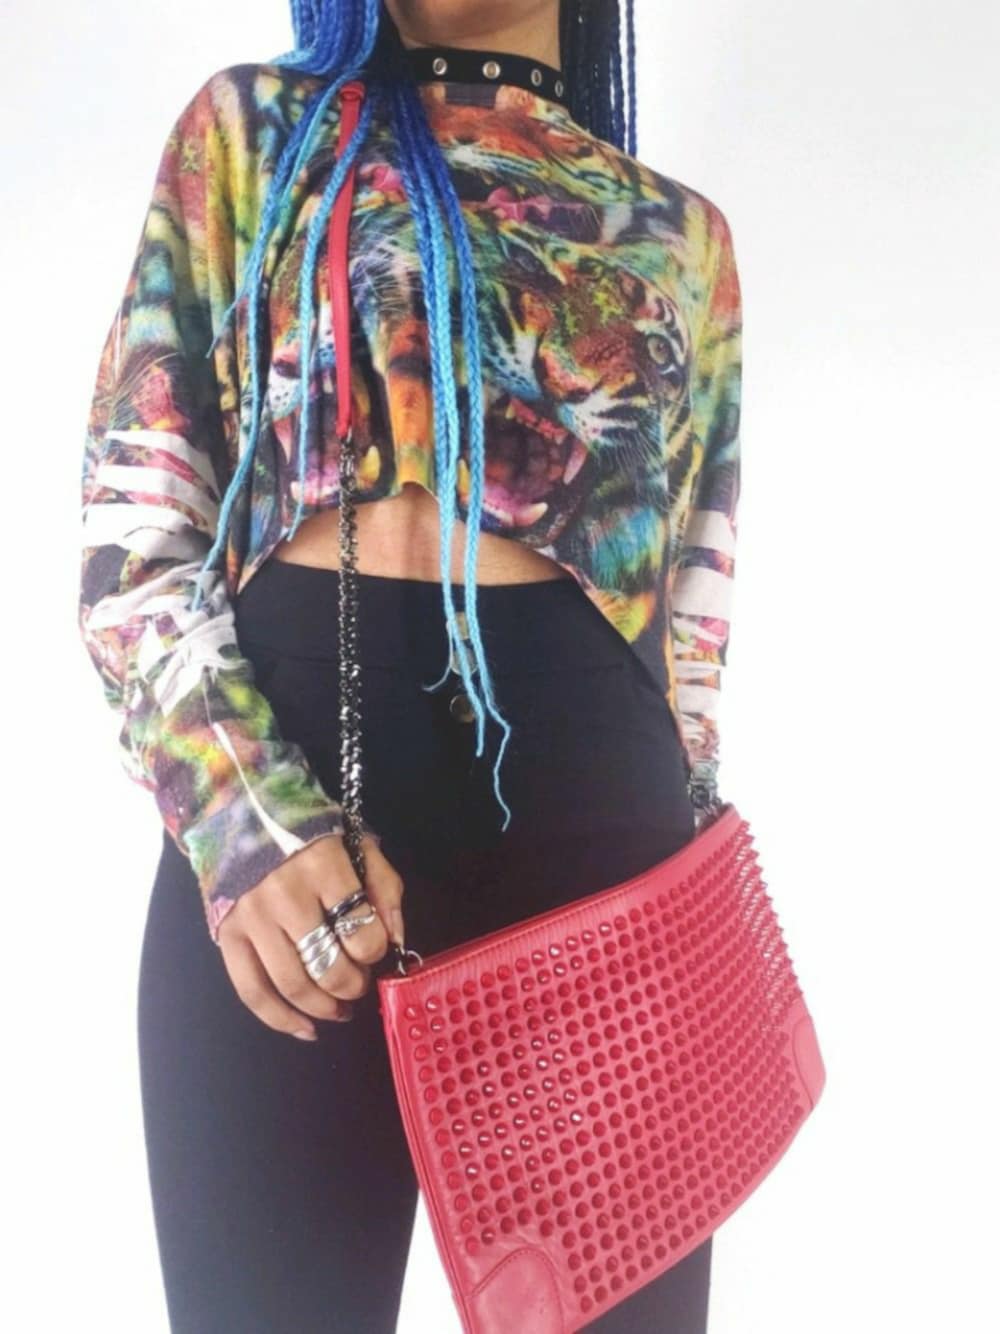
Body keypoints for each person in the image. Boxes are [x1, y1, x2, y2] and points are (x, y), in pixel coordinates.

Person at [78, 1, 741, 1329]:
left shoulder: (679, 234)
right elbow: (135, 538)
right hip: (291, 863)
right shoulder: (255, 138)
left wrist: (692, 914)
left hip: (606, 884)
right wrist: (244, 821)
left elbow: (693, 628)